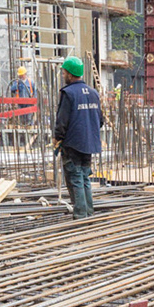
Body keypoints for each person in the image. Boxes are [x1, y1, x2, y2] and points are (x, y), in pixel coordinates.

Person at [52, 56, 101, 219]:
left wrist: (57, 138)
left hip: (73, 143)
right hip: (89, 143)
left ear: (70, 74)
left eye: (64, 72)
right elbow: (99, 121)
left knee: (76, 178)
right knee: (84, 177)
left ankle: (80, 215)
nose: (63, 75)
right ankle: (88, 212)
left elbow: (62, 120)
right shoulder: (93, 93)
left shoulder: (68, 93)